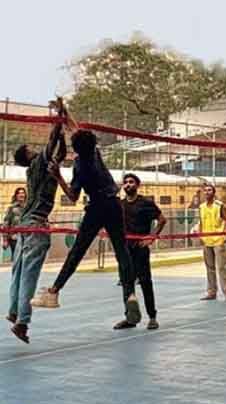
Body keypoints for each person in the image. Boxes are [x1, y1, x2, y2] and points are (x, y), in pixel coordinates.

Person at [32, 129, 142, 328]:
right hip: (114, 204)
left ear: (76, 148)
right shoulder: (95, 153)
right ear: (92, 144)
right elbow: (79, 130)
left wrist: (58, 176)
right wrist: (65, 114)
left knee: (77, 251)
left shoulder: (80, 165)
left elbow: (73, 197)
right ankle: (130, 295)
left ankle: (54, 291)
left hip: (97, 207)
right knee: (122, 251)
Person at [6, 103, 68, 343]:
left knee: (18, 271)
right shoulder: (38, 164)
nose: (35, 150)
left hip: (25, 224)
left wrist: (61, 132)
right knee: (28, 274)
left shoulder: (41, 169)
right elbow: (52, 143)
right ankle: (22, 320)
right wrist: (59, 119)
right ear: (28, 156)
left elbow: (59, 152)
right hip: (36, 224)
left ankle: (13, 311)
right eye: (31, 149)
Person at [117, 173, 167, 330]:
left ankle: (152, 317)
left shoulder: (145, 203)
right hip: (126, 250)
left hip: (141, 249)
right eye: (125, 182)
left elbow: (162, 219)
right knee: (127, 283)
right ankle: (130, 318)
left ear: (137, 185)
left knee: (145, 282)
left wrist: (152, 237)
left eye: (131, 182)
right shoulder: (121, 204)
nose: (127, 185)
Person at [196, 184, 226, 302]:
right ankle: (211, 292)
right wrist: (201, 235)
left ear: (214, 192)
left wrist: (224, 235)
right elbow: (201, 221)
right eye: (205, 190)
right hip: (206, 241)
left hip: (218, 240)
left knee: (222, 267)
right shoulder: (201, 207)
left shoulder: (220, 205)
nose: (207, 192)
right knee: (209, 268)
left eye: (209, 190)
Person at [3, 187, 27, 257]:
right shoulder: (11, 208)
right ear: (16, 195)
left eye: (23, 193)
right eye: (19, 193)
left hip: (26, 238)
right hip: (14, 238)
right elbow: (6, 224)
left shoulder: (28, 208)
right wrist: (5, 240)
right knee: (16, 259)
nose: (21, 195)